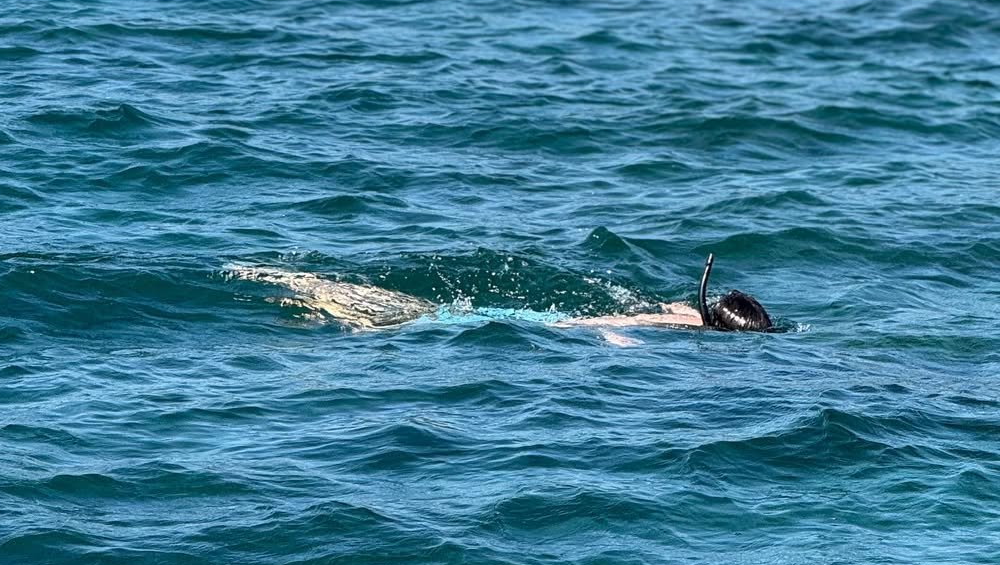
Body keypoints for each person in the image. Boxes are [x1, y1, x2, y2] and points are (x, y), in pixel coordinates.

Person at [228, 253, 777, 340]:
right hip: (542, 326)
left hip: (539, 320)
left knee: (408, 314)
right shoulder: (679, 328)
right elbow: (605, 330)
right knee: (409, 320)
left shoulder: (683, 316)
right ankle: (307, 293)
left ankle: (299, 285)